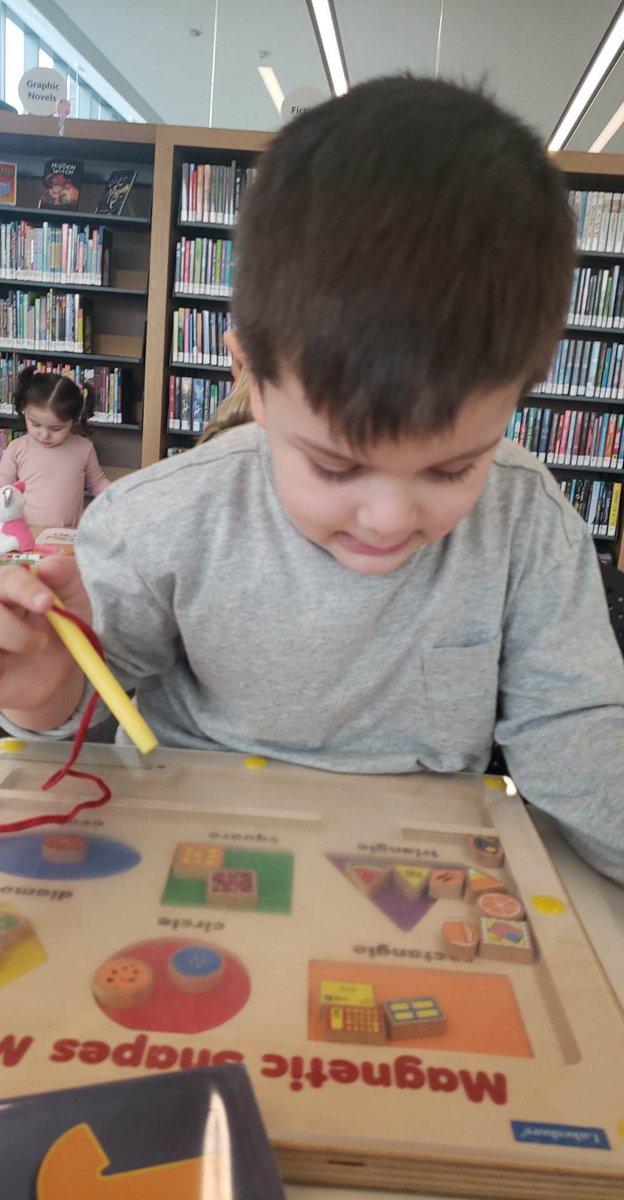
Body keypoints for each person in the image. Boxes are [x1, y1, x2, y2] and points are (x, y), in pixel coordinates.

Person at [0, 76, 622, 886]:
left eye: (454, 465)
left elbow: (577, 733)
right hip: (194, 858)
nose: (389, 518)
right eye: (334, 464)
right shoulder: (159, 519)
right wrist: (44, 695)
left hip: (417, 867)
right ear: (252, 376)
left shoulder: (527, 520)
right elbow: (72, 731)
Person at [0, 367, 110, 528]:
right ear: (24, 410)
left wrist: (121, 497)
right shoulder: (17, 448)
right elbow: (3, 487)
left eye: (56, 429)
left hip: (67, 536)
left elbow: (98, 483)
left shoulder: (83, 448)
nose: (44, 435)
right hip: (24, 534)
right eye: (36, 424)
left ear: (73, 420)